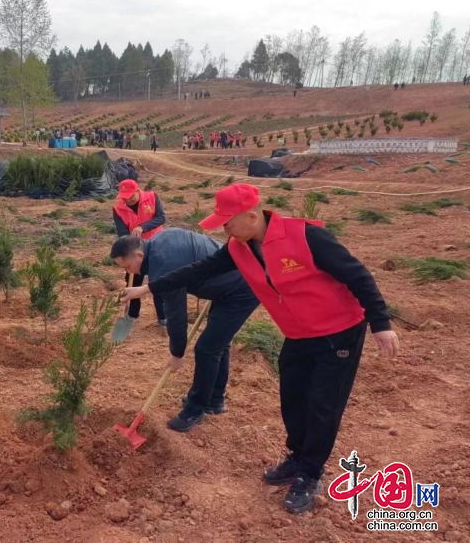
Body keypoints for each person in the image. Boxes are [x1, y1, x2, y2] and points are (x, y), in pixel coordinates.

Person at [121, 183, 399, 514]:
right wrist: (147, 288)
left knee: (323, 405)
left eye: (228, 223)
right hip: (298, 332)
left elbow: (358, 276)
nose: (224, 230)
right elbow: (197, 270)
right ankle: (297, 457)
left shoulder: (307, 237)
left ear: (251, 217)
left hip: (339, 331)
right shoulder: (239, 246)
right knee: (292, 397)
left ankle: (309, 475)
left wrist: (380, 323)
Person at [111, 230, 259, 431]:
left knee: (207, 349)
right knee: (217, 343)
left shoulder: (163, 263)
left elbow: (176, 315)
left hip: (241, 289)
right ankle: (215, 399)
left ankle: (194, 410)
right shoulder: (159, 242)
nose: (130, 273)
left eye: (128, 267)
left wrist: (177, 353)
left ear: (139, 255)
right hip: (229, 284)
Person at [112, 179, 166, 327]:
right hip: (135, 250)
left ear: (138, 191)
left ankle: (163, 317)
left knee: (159, 282)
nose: (127, 199)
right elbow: (122, 231)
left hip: (156, 245)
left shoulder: (152, 197)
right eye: (124, 197)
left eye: (130, 196)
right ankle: (132, 314)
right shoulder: (118, 208)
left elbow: (161, 217)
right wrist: (129, 243)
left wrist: (142, 227)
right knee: (133, 281)